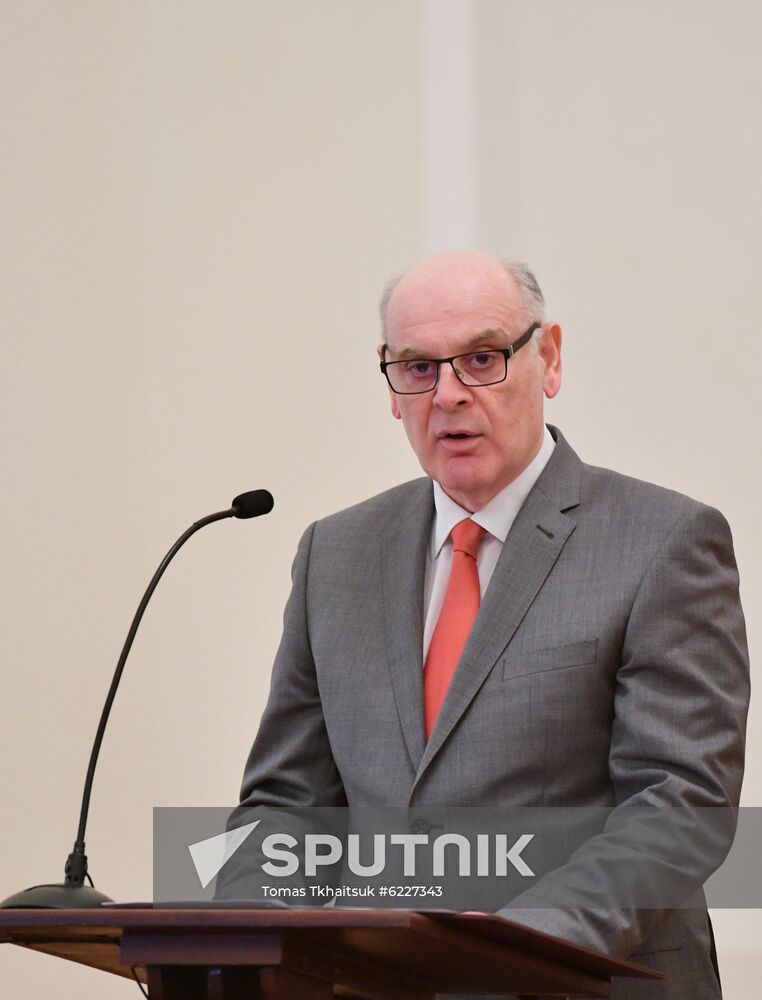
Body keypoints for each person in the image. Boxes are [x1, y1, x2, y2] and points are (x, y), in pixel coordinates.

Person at [225, 251, 749, 999]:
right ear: (391, 385)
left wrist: (495, 955)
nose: (448, 395)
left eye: (481, 359)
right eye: (417, 368)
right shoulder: (335, 555)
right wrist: (240, 947)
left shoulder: (661, 541)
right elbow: (286, 806)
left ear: (550, 359)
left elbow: (679, 808)